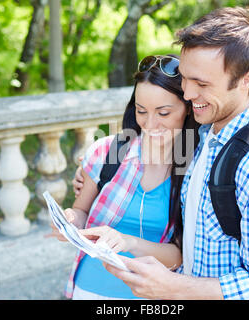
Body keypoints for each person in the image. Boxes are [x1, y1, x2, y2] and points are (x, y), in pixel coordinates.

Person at [74, 7, 249, 300]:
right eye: (186, 78)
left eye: (201, 84)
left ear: (247, 78)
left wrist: (172, 287)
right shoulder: (202, 139)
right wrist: (92, 173)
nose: (186, 94)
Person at [50, 54, 199, 299]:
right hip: (90, 288)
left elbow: (180, 255)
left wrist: (128, 242)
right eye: (142, 111)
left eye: (163, 113)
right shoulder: (107, 151)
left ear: (188, 109)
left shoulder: (196, 169)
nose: (150, 124)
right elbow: (81, 213)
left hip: (153, 294)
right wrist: (69, 220)